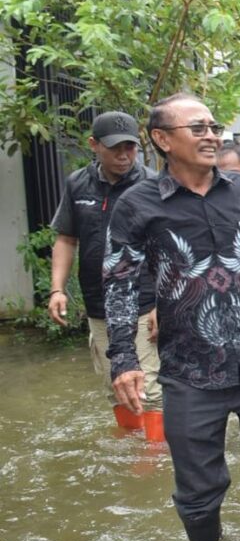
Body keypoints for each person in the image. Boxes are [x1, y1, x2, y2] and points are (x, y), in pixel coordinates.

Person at [104, 93, 240, 541]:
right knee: (198, 491)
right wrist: (123, 357)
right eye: (198, 128)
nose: (212, 136)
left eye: (215, 127)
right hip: (189, 367)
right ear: (161, 139)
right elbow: (119, 281)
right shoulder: (137, 204)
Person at [48, 111, 163, 440]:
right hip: (98, 305)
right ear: (94, 145)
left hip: (143, 303)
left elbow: (169, 249)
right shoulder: (77, 184)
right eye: (116, 148)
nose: (125, 155)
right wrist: (57, 290)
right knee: (117, 383)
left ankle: (152, 459)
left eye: (131, 147)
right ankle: (131, 446)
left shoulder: (153, 186)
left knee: (149, 387)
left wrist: (161, 302)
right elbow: (67, 239)